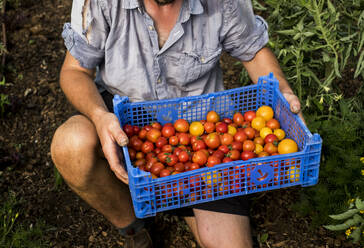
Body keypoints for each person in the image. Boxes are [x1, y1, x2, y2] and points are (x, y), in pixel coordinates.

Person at [51, 0, 302, 247]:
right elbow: (75, 72)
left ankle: (181, 199)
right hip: (127, 122)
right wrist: (99, 116)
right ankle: (134, 227)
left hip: (202, 134)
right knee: (71, 145)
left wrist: (284, 92)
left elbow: (254, 50)